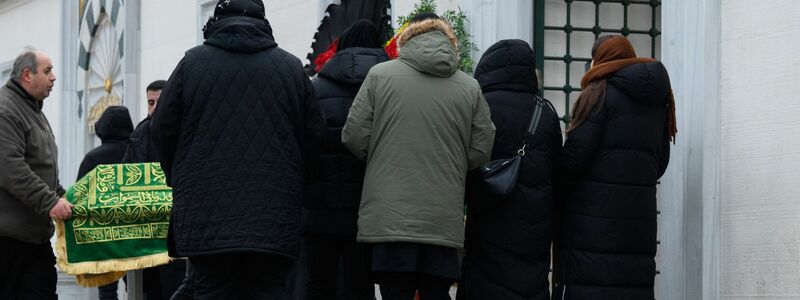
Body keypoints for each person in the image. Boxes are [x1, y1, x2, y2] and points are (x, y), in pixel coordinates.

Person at [149, 0, 324, 298]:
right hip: (274, 215)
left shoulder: (192, 64)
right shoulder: (290, 68)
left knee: (211, 289)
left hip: (206, 216)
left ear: (216, 20)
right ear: (264, 20)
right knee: (269, 290)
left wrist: (177, 176)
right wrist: (296, 184)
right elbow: (315, 137)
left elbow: (161, 129)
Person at [342, 14, 495, 300]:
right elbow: (480, 150)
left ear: (406, 38)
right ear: (450, 43)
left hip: (391, 216)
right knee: (437, 293)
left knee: (394, 291)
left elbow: (353, 136)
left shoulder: (380, 75)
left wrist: (381, 158)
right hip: (442, 217)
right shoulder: (469, 87)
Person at [553, 35, 676, 299]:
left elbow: (574, 159)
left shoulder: (598, 93)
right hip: (637, 224)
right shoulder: (658, 102)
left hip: (592, 227)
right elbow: (660, 162)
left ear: (598, 59)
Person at [457, 40, 563, 300]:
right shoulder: (545, 112)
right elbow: (557, 171)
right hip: (533, 225)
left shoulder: (479, 107)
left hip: (488, 216)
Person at [303, 19, 388, 300]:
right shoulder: (388, 90)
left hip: (318, 206)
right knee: (359, 285)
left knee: (318, 283)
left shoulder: (315, 89)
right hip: (367, 209)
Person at [0, 47, 70, 299]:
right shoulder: (6, 110)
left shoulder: (33, 109)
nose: (54, 77)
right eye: (48, 70)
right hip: (8, 242)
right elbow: (11, 168)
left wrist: (65, 196)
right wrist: (51, 202)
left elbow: (41, 168)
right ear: (27, 75)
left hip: (34, 239)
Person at [122, 80, 165, 163]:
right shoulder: (139, 133)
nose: (155, 107)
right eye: (151, 103)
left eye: (160, 102)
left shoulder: (184, 127)